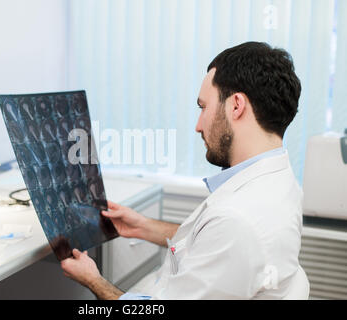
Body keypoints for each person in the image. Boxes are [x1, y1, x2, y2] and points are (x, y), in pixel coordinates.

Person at [60, 41, 303, 299]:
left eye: (203, 107)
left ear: (236, 105)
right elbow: (210, 244)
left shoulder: (236, 221)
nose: (198, 126)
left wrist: (94, 281)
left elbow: (225, 237)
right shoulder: (279, 180)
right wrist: (142, 226)